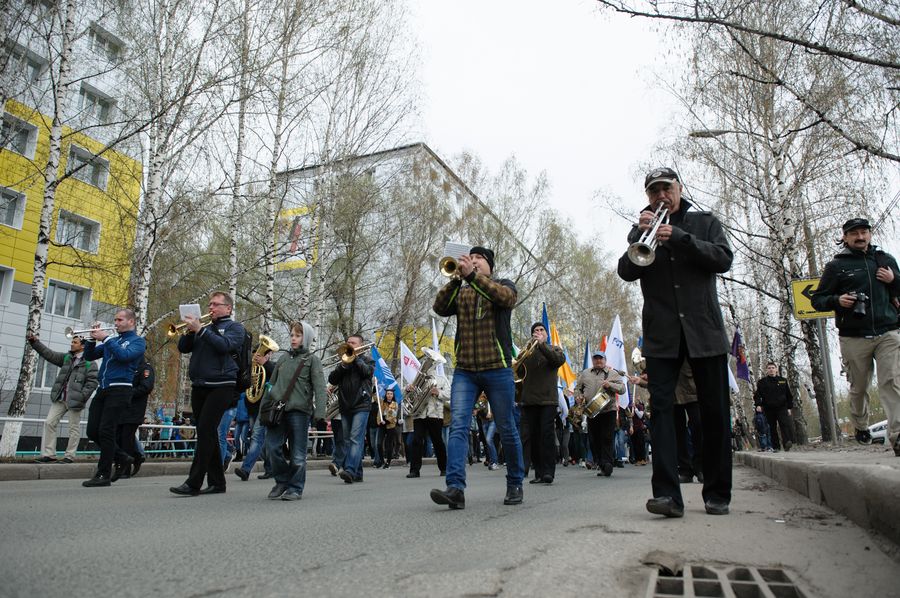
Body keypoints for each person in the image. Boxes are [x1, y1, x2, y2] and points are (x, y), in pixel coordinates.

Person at [617, 167, 734, 518]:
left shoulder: (704, 222)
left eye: (666, 188)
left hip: (704, 331)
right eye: (653, 191)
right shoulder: (641, 232)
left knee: (714, 414)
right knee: (663, 416)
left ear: (679, 189)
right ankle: (667, 496)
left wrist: (680, 237)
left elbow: (723, 259)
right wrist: (641, 232)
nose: (660, 196)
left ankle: (717, 494)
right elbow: (626, 270)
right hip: (662, 336)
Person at [430, 246, 525, 510]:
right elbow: (439, 307)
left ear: (489, 265)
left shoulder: (502, 284)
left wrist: (472, 276)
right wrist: (455, 280)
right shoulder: (461, 289)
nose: (472, 262)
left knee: (506, 427)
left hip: (498, 368)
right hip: (465, 371)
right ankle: (455, 489)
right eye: (469, 259)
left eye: (478, 259)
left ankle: (515, 481)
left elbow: (506, 299)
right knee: (459, 426)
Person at [811, 218, 900, 455]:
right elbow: (817, 300)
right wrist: (837, 301)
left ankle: (898, 435)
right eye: (854, 234)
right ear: (845, 237)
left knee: (891, 382)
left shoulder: (885, 260)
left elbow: (898, 291)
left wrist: (894, 280)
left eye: (864, 232)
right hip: (854, 337)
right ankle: (861, 425)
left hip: (888, 332)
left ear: (870, 234)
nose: (860, 237)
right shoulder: (836, 267)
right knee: (859, 387)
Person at [170, 291, 247, 496]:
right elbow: (183, 348)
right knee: (208, 432)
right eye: (209, 304)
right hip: (200, 384)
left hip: (222, 385)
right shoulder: (204, 329)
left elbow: (225, 346)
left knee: (205, 430)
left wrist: (201, 331)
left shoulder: (235, 328)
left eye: (215, 304)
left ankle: (193, 483)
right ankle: (217, 483)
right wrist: (189, 331)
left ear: (228, 308)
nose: (210, 308)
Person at [260, 321, 326, 501]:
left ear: (307, 338)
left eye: (298, 335)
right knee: (272, 448)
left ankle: (295, 488)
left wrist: (320, 414)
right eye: (292, 335)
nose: (293, 339)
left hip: (299, 411)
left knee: (298, 453)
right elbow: (270, 385)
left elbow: (320, 388)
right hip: (277, 411)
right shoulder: (282, 358)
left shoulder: (312, 360)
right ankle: (282, 480)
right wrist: (263, 409)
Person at [81, 309, 147, 487]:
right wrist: (90, 339)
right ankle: (122, 456)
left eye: (120, 320)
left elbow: (124, 356)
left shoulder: (138, 342)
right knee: (92, 431)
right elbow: (89, 356)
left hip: (120, 390)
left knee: (106, 431)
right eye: (115, 319)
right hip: (103, 389)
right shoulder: (114, 341)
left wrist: (106, 338)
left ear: (131, 322)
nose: (116, 323)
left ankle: (103, 474)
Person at [28, 332, 98, 464]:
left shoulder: (90, 363)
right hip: (60, 398)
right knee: (49, 423)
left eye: (75, 342)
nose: (71, 344)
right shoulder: (67, 358)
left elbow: (92, 383)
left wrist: (82, 397)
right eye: (72, 342)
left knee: (73, 428)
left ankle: (69, 456)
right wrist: (35, 343)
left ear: (83, 346)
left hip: (75, 400)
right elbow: (49, 354)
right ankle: (49, 454)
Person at [517, 322, 566, 485]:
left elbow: (557, 361)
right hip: (529, 400)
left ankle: (548, 472)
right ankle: (538, 472)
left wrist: (542, 345)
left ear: (546, 334)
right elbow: (517, 371)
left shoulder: (554, 349)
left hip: (547, 400)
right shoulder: (526, 353)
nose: (538, 332)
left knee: (546, 436)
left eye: (541, 330)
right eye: (535, 331)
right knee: (533, 437)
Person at [327, 334, 375, 484]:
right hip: (345, 405)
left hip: (362, 404)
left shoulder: (367, 359)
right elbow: (332, 379)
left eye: (353, 343)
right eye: (348, 342)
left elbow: (367, 372)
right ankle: (358, 473)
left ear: (361, 345)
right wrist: (343, 365)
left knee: (355, 438)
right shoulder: (344, 361)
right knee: (348, 440)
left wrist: (356, 359)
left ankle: (349, 470)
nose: (350, 345)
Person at [575, 351, 625, 477]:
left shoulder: (612, 373)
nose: (598, 361)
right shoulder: (585, 373)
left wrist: (610, 384)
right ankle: (601, 463)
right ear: (593, 360)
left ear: (605, 360)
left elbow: (622, 389)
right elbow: (577, 389)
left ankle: (607, 463)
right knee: (593, 439)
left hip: (609, 410)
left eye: (601, 359)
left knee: (607, 437)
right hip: (592, 411)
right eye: (596, 359)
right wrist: (578, 397)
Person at [234, 352, 276, 481]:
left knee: (256, 438)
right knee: (260, 440)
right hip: (252, 408)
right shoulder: (251, 368)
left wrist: (265, 363)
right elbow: (243, 387)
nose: (256, 358)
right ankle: (270, 468)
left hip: (266, 408)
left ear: (268, 355)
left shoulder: (271, 366)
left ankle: (245, 469)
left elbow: (277, 376)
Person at [114, 357, 155, 480]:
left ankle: (125, 469)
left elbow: (146, 387)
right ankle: (135, 457)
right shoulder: (126, 366)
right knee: (118, 436)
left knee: (126, 438)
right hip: (121, 408)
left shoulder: (145, 368)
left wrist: (128, 393)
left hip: (134, 409)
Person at [406, 370, 449, 478]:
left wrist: (438, 392)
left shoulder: (442, 379)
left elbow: (449, 394)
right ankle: (414, 470)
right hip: (419, 414)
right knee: (416, 441)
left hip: (435, 414)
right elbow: (407, 395)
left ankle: (444, 468)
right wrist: (408, 390)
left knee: (438, 441)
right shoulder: (417, 379)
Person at [753, 362, 795, 452]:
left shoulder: (783, 380)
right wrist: (758, 405)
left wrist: (789, 407)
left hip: (782, 407)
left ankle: (787, 442)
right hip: (769, 408)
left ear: (776, 369)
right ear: (766, 370)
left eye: (773, 367)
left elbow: (788, 395)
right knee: (772, 427)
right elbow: (757, 395)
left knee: (784, 424)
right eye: (769, 368)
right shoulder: (762, 382)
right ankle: (776, 447)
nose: (771, 369)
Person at [381, 389, 400, 468]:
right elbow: (379, 413)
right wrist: (381, 420)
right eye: (388, 394)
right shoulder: (382, 403)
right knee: (379, 444)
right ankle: (381, 460)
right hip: (382, 425)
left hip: (391, 426)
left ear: (393, 395)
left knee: (389, 444)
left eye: (391, 394)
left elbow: (394, 415)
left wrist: (387, 421)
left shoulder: (395, 404)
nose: (389, 395)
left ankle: (388, 461)